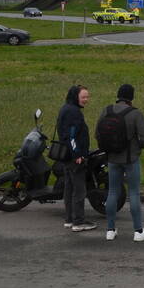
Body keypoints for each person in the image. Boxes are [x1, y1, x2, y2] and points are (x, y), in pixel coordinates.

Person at [101, 84, 144, 242]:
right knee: (133, 193)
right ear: (131, 97)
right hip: (130, 159)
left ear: (118, 95)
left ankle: (110, 230)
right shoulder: (135, 113)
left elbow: (99, 133)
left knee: (112, 192)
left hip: (112, 158)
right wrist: (136, 148)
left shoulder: (107, 110)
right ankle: (138, 231)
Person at [58, 85, 95, 231]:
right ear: (76, 97)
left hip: (66, 157)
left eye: (87, 96)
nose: (86, 100)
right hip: (74, 158)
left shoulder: (66, 108)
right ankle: (78, 222)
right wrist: (78, 155)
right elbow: (71, 136)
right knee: (79, 190)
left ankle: (69, 219)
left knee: (69, 188)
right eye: (83, 97)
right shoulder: (74, 113)